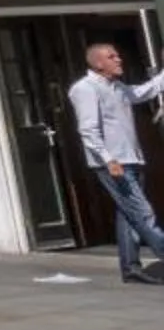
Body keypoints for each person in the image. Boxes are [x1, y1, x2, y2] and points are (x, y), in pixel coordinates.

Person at [68, 40, 164, 283]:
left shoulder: (117, 86)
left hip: (131, 159)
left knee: (129, 214)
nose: (119, 59)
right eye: (112, 57)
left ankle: (130, 268)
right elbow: (88, 129)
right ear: (98, 63)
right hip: (113, 163)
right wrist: (108, 159)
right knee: (143, 214)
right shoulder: (86, 89)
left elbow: (142, 93)